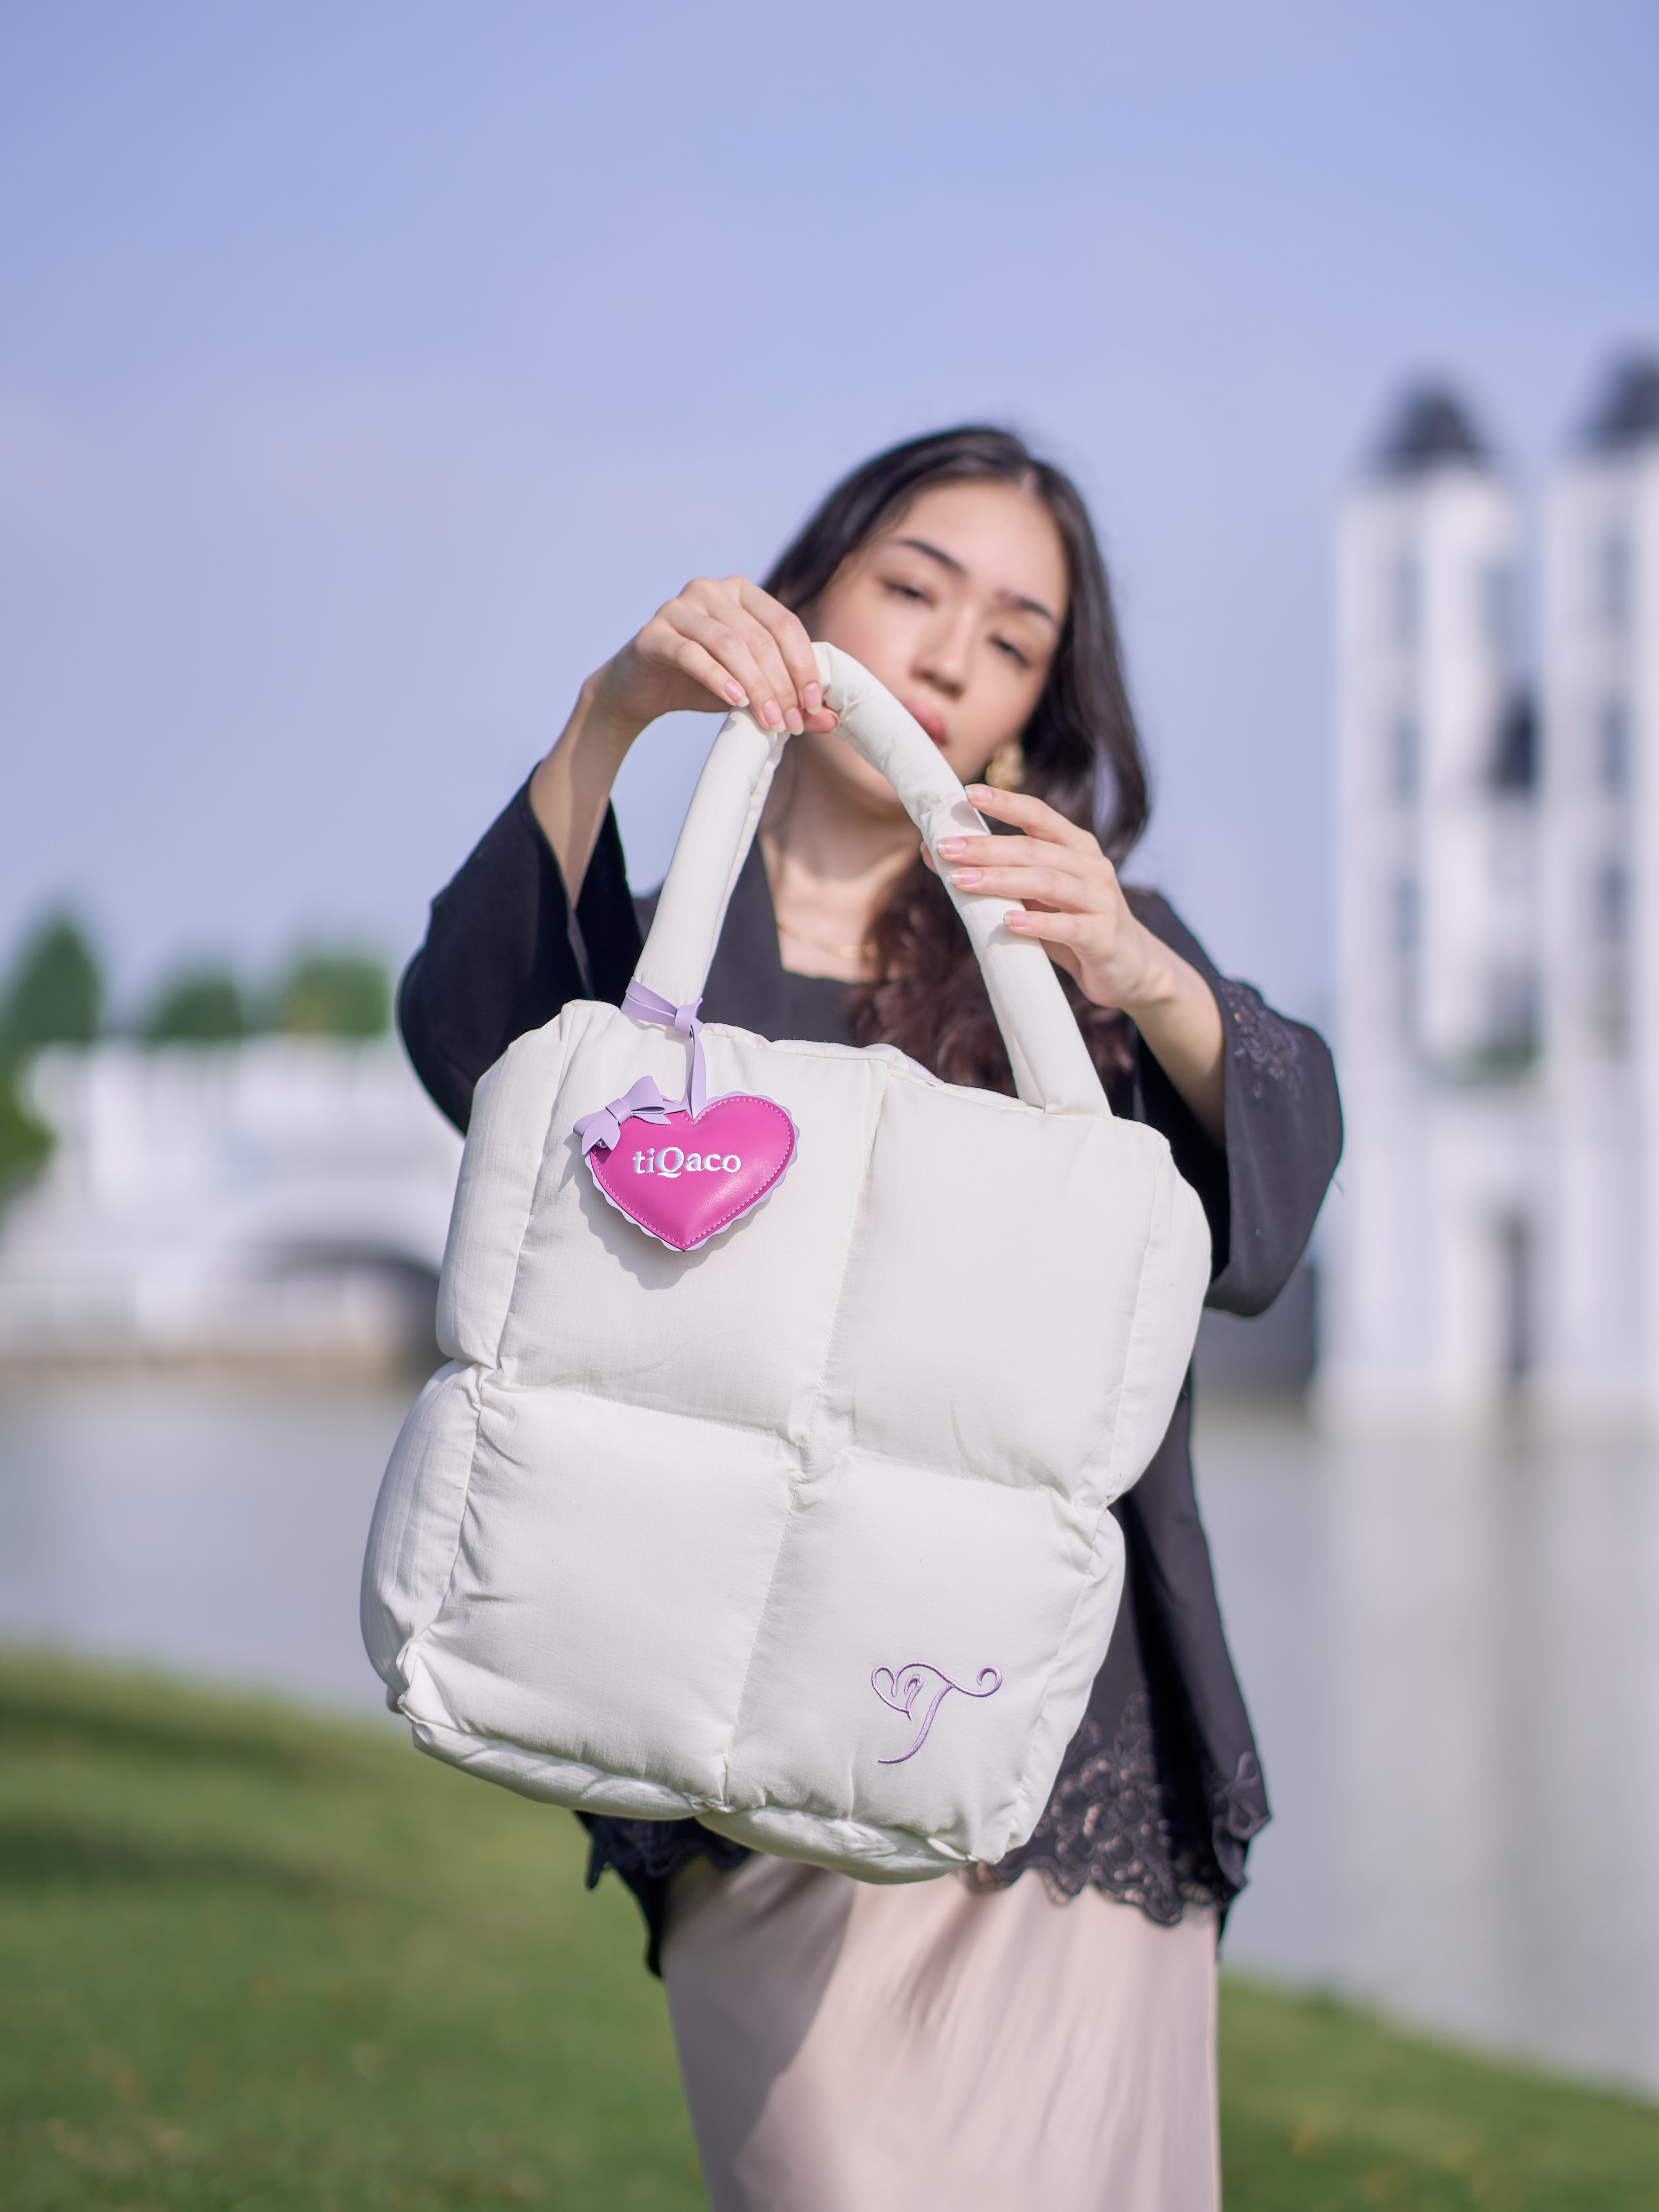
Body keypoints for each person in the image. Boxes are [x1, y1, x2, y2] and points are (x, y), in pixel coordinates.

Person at [399, 426, 1342, 2210]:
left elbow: (1262, 1213)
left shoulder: (1064, 949)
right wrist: (612, 714)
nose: (947, 650)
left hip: (1055, 1760)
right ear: (816, 581)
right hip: (734, 1775)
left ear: (1042, 704)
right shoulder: (660, 954)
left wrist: (1144, 968)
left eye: (1014, 634)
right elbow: (478, 1049)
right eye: (913, 585)